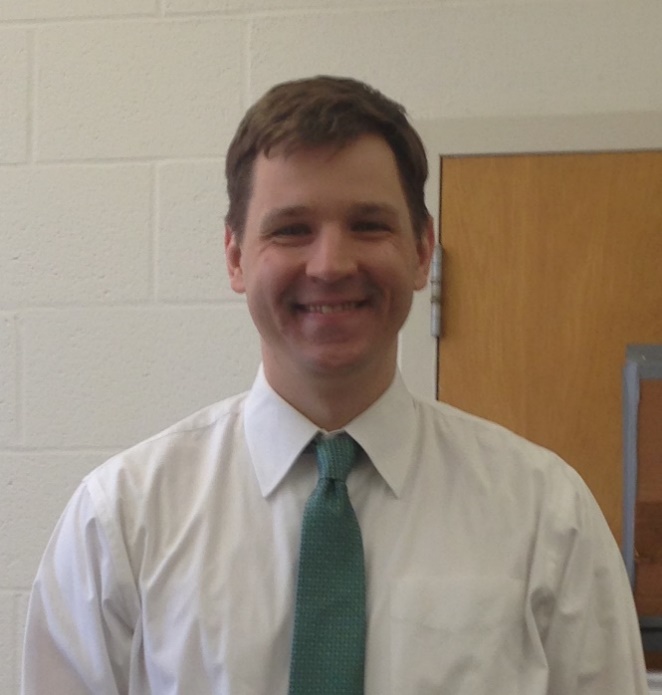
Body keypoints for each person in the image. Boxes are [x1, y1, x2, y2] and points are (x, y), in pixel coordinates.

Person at [22, 76, 648, 694]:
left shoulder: (546, 519)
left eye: (369, 225)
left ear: (422, 251)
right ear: (236, 257)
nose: (331, 264)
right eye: (291, 230)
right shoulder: (121, 522)